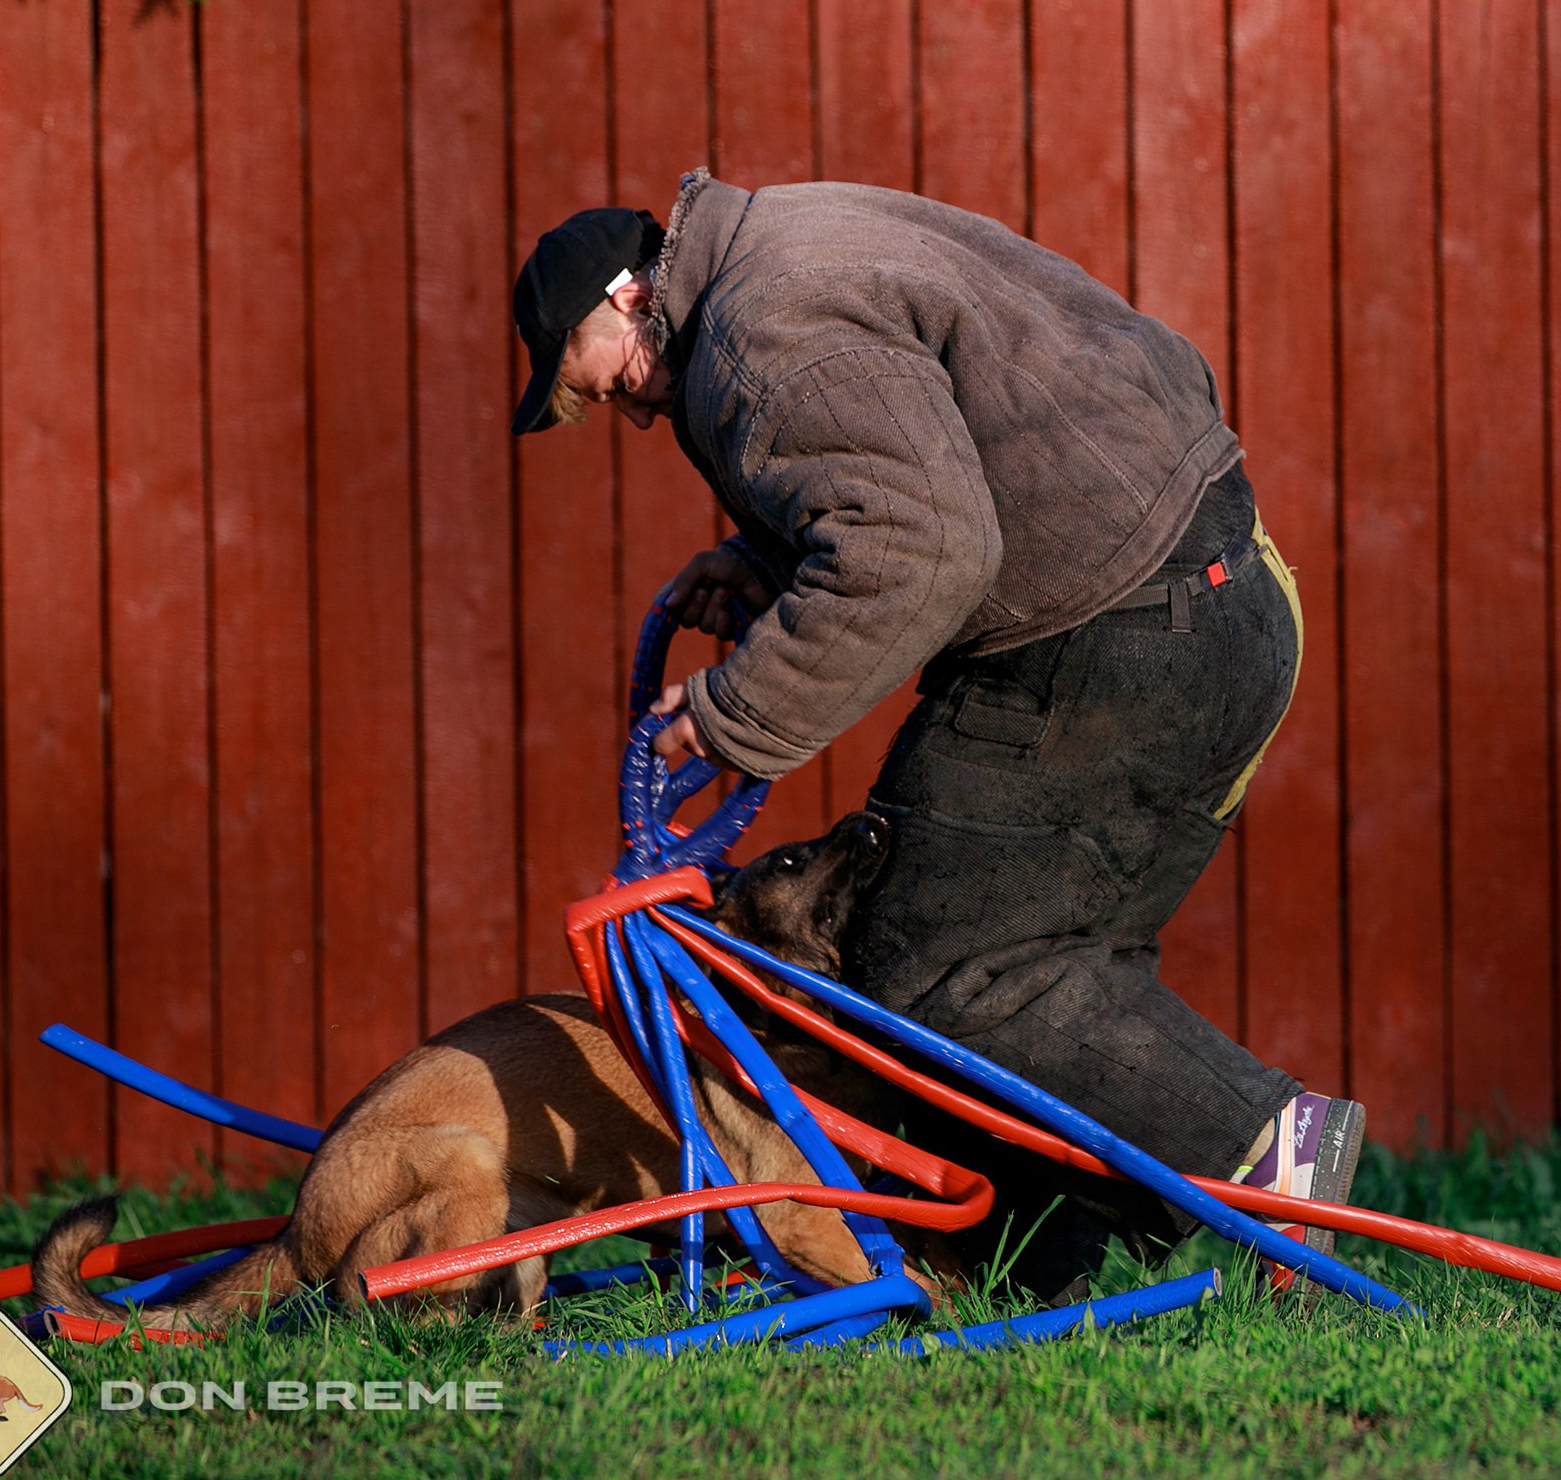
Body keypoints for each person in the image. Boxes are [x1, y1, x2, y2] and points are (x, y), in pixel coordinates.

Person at [509, 175, 1360, 1296]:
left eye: (615, 380)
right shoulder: (796, 233)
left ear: (628, 298)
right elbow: (952, 437)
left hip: (1108, 646)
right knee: (1053, 961)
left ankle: (1269, 1151)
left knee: (928, 950)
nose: (637, 408)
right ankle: (1019, 1269)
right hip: (1225, 607)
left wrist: (736, 713)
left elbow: (923, 550)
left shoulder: (758, 337)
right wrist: (772, 562)